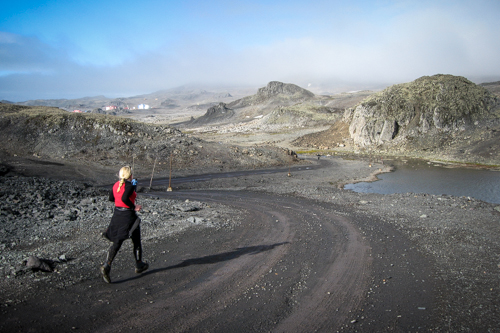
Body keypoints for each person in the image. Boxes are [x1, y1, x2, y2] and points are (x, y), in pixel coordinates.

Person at [100, 166, 148, 283]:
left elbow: (112, 198)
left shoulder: (116, 185)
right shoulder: (130, 186)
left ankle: (107, 265)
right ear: (130, 176)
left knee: (117, 240)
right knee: (136, 239)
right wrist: (134, 206)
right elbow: (125, 197)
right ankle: (139, 264)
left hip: (117, 215)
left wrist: (125, 198)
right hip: (128, 216)